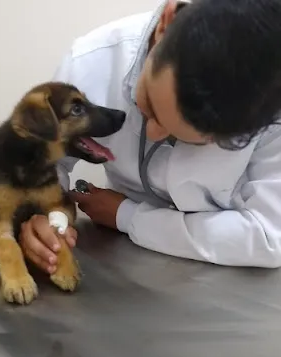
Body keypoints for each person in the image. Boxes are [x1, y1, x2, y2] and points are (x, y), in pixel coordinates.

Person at [19, 0, 281, 271]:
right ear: (166, 24)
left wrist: (129, 216)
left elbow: (268, 237)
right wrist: (40, 213)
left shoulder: (273, 113)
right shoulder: (91, 62)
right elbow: (44, 162)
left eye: (190, 141)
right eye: (149, 105)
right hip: (124, 261)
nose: (155, 134)